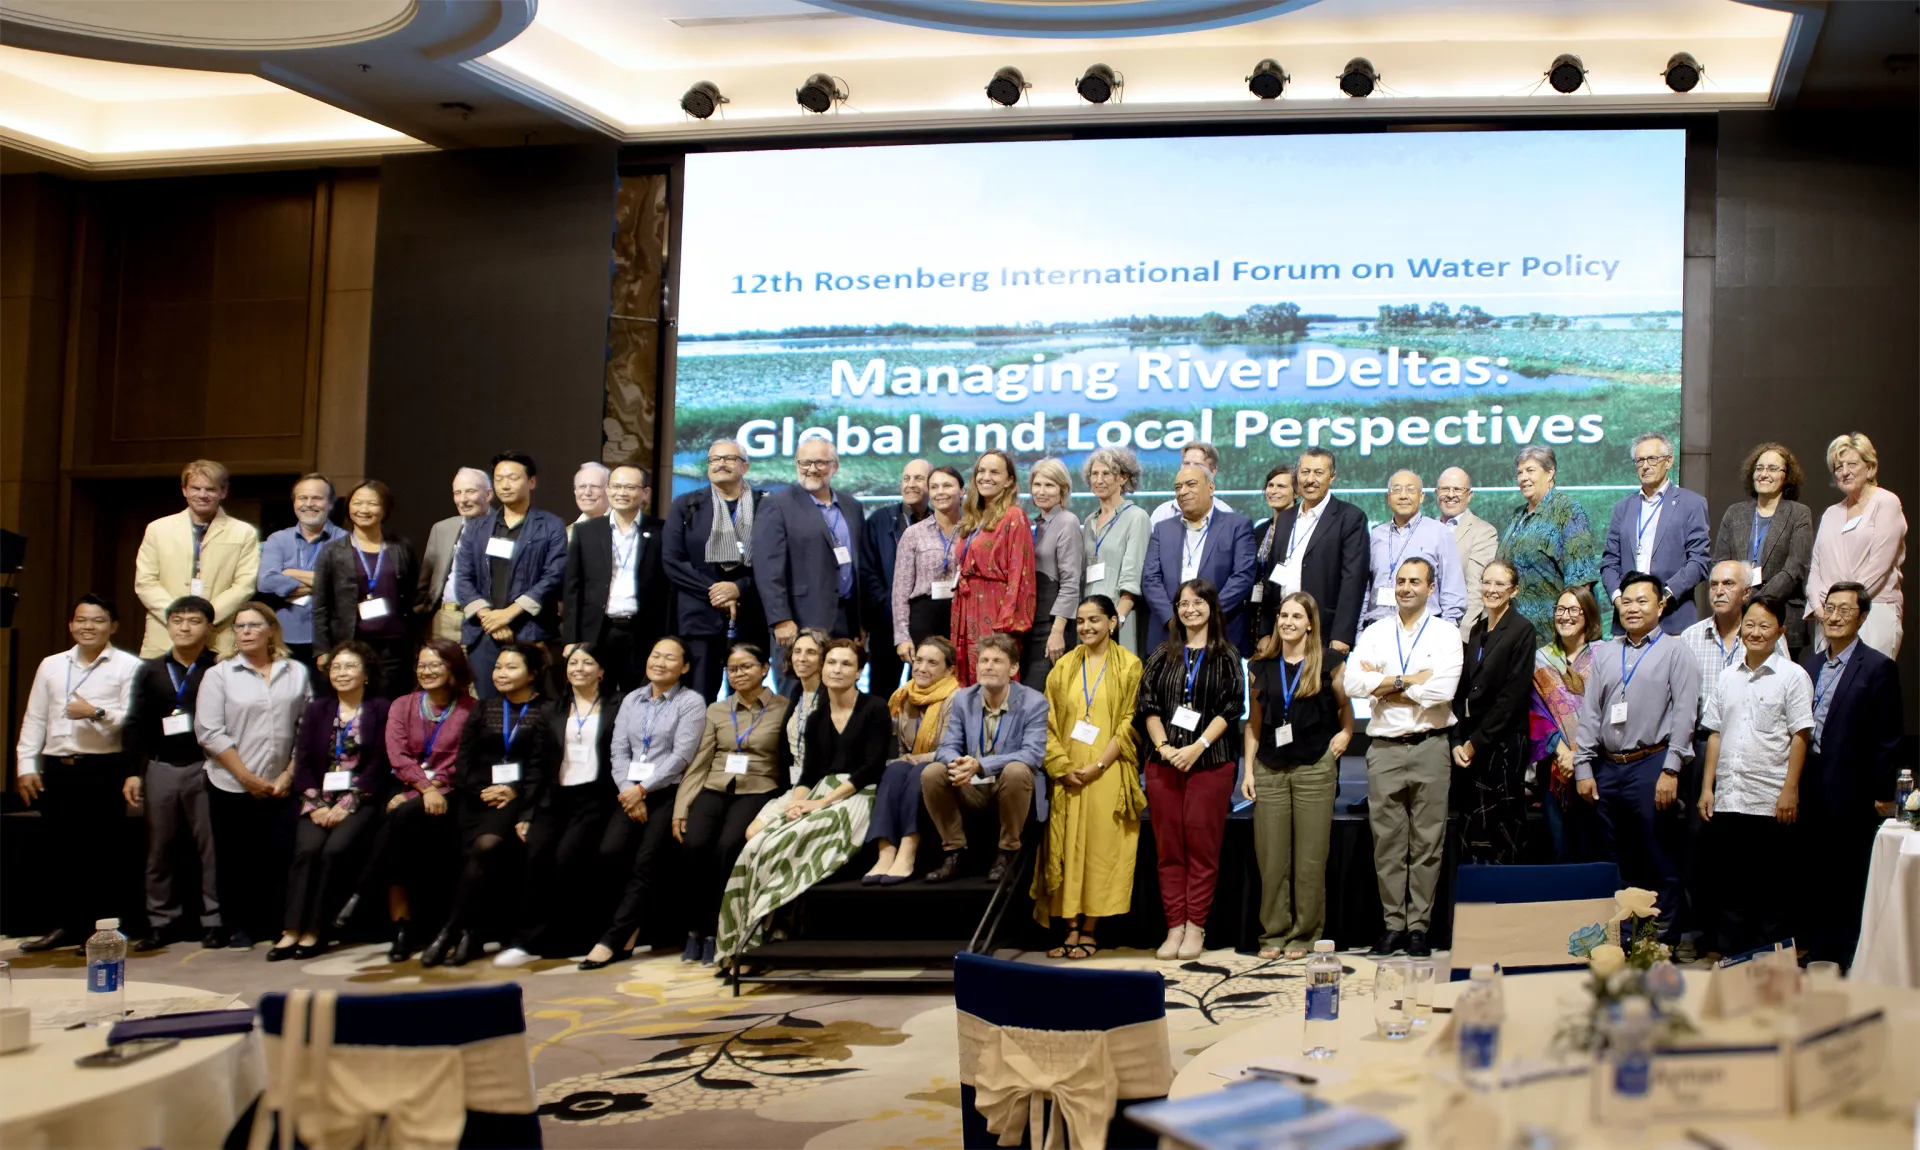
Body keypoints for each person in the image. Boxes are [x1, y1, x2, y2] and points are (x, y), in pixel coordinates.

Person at [715, 638, 889, 966]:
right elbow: (808, 774)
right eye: (832, 663)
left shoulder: (875, 707)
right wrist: (797, 804)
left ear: (859, 672)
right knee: (758, 845)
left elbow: (871, 768)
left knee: (795, 837)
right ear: (822, 670)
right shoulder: (815, 717)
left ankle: (772, 923)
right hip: (818, 792)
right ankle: (747, 936)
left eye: (846, 664)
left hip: (859, 794)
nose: (837, 669)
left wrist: (819, 805)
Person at [1571, 573, 1700, 942]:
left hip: (1652, 764)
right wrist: (1583, 767)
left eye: (1643, 601)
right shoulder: (1608, 652)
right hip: (1608, 766)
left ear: (1661, 606)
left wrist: (1671, 769)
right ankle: (1625, 936)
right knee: (1616, 856)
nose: (1632, 608)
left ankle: (1662, 939)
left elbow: (1685, 715)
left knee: (1657, 854)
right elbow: (1591, 713)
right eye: (1626, 601)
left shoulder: (1676, 651)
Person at [1346, 559, 1462, 958]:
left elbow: (1442, 691)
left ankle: (1418, 928)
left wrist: (1382, 685)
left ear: (1432, 588)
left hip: (1431, 745)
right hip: (1385, 749)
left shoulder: (1447, 634)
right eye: (1400, 581)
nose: (1406, 588)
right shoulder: (1376, 631)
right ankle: (1393, 924)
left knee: (1428, 843)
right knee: (1388, 844)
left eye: (1415, 581)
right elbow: (1351, 682)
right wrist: (1411, 679)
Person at [14, 595, 140, 952]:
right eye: (81, 620)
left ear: (113, 626)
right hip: (56, 769)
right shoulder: (52, 665)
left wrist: (96, 712)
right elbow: (35, 717)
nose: (88, 626)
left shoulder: (128, 666)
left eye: (98, 620)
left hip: (103, 769)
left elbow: (134, 723)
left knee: (101, 855)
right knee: (60, 853)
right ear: (71, 624)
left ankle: (99, 934)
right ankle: (65, 927)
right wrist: (26, 765)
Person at [424, 642, 557, 967]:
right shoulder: (484, 708)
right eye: (498, 667)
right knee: (471, 853)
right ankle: (472, 936)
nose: (501, 673)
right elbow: (464, 761)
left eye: (511, 667)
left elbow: (542, 766)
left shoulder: (547, 711)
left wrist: (512, 790)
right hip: (477, 797)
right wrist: (484, 789)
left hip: (517, 799)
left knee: (487, 847)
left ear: (533, 674)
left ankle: (451, 931)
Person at [581, 636, 708, 969]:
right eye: (655, 655)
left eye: (669, 658)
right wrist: (628, 789)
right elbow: (618, 750)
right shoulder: (632, 700)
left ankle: (614, 938)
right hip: (628, 793)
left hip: (666, 791)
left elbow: (682, 755)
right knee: (609, 853)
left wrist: (643, 789)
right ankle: (629, 922)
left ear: (684, 667)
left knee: (645, 863)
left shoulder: (691, 702)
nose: (660, 662)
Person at [494, 643, 623, 967]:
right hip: (555, 798)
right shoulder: (553, 709)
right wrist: (527, 812)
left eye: (587, 662)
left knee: (569, 859)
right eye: (573, 662)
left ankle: (573, 938)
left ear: (602, 670)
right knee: (535, 856)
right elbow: (537, 766)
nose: (578, 668)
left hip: (595, 798)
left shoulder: (617, 706)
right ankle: (524, 942)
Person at [1031, 595, 1145, 960]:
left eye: (1094, 620)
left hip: (1107, 771)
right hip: (1068, 775)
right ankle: (1070, 927)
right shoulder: (1062, 667)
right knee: (1066, 850)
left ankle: (1091, 928)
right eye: (1080, 621)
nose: (1086, 627)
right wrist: (1062, 767)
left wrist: (1098, 766)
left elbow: (1130, 723)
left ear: (1113, 622)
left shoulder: (1130, 665)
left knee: (1099, 850)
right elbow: (1044, 724)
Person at [1696, 597, 1811, 957]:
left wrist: (1790, 789)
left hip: (1769, 800)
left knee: (1771, 895)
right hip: (1730, 798)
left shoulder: (1793, 676)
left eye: (1765, 626)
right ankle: (1733, 967)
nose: (1755, 632)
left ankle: (1771, 972)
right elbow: (1714, 732)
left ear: (1780, 630)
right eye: (1750, 625)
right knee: (1731, 891)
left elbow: (1800, 734)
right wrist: (1707, 787)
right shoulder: (1728, 676)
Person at [1797, 582, 1904, 965]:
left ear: (1862, 616)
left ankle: (1848, 957)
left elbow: (1888, 736)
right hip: (1809, 783)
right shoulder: (1808, 665)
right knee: (1816, 872)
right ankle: (1819, 951)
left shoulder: (1878, 667)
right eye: (1830, 608)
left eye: (1845, 609)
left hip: (1852, 788)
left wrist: (1883, 792)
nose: (1835, 616)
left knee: (1848, 875)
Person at [195, 602, 312, 949]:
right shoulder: (219, 675)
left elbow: (306, 728)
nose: (244, 632)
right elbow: (209, 732)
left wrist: (289, 774)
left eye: (252, 625)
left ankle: (275, 923)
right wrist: (246, 778)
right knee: (235, 858)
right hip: (231, 782)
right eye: (239, 627)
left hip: (281, 783)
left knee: (279, 855)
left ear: (271, 630)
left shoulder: (295, 671)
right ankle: (238, 926)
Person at [1141, 578, 1246, 960]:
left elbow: (1232, 709)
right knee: (1169, 851)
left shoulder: (1227, 655)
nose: (1190, 609)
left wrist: (1197, 747)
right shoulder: (1161, 654)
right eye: (1183, 603)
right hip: (1163, 763)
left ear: (1211, 607)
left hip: (1210, 764)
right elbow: (1147, 707)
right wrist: (1165, 747)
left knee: (1202, 850)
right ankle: (1175, 926)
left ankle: (1196, 926)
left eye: (1198, 602)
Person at [1243, 592, 1352, 959]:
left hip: (1314, 769)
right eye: (1283, 615)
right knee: (1272, 859)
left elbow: (1344, 706)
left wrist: (1347, 734)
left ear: (1310, 623)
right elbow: (1253, 723)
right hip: (1270, 769)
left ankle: (1304, 936)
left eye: (1296, 616)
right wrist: (1249, 769)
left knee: (1309, 860)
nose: (1288, 621)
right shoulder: (1259, 665)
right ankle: (1273, 933)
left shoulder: (1330, 662)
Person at [672, 644, 793, 966]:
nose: (738, 673)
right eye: (732, 668)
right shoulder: (717, 710)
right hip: (714, 787)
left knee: (726, 848)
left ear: (765, 668)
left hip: (759, 788)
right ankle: (694, 929)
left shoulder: (784, 708)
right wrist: (681, 807)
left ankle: (717, 931)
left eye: (746, 666)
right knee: (694, 845)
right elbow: (700, 762)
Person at [273, 640, 390, 961]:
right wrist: (318, 804)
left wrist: (346, 805)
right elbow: (305, 761)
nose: (342, 672)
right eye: (336, 666)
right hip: (318, 801)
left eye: (350, 666)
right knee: (306, 851)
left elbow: (379, 764)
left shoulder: (380, 709)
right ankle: (291, 930)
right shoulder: (318, 709)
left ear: (366, 674)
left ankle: (316, 929)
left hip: (359, 801)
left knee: (334, 851)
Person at [1676, 559, 1771, 953]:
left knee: (1741, 850)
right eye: (1713, 583)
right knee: (1698, 844)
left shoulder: (1766, 637)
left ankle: (1744, 940)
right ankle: (1698, 932)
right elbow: (1680, 704)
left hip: (1752, 752)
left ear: (1746, 593)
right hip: (1702, 748)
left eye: (1728, 584)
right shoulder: (1690, 637)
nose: (1717, 590)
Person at [363, 639, 476, 962]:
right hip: (409, 785)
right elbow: (397, 754)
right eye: (422, 665)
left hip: (451, 790)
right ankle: (402, 926)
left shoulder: (470, 708)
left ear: (453, 667)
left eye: (434, 665)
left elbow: (462, 760)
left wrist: (433, 787)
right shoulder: (402, 704)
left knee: (402, 820)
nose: (426, 671)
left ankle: (365, 889)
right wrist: (423, 788)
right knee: (400, 817)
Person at [124, 596, 225, 951]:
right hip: (161, 766)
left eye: (193, 621)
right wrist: (133, 773)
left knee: (211, 849)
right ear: (167, 626)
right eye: (177, 620)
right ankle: (160, 921)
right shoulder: (150, 669)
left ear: (209, 627)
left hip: (207, 766)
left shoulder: (219, 667)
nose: (184, 627)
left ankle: (214, 920)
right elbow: (135, 723)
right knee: (159, 849)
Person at [920, 633, 1045, 884]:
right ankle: (955, 852)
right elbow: (947, 746)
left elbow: (1033, 754)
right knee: (932, 772)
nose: (988, 666)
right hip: (970, 784)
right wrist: (958, 763)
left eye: (997, 661)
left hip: (1009, 787)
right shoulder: (963, 698)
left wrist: (981, 765)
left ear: (1014, 668)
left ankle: (1008, 853)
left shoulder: (1034, 702)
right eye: (983, 660)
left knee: (1017, 769)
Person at [662, 439, 768, 701]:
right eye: (714, 460)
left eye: (729, 459)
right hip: (698, 618)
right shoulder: (686, 505)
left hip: (751, 616)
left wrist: (739, 587)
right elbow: (672, 561)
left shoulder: (765, 506)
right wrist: (717, 592)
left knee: (748, 698)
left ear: (744, 467)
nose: (721, 464)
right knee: (696, 699)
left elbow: (774, 561)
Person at [457, 451, 569, 698]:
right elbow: (463, 578)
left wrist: (508, 614)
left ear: (531, 482)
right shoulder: (477, 528)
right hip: (484, 632)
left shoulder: (551, 525)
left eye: (513, 477)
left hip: (531, 632)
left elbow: (553, 577)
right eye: (498, 479)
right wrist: (490, 618)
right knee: (488, 709)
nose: (505, 485)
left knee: (534, 711)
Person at [1449, 560, 1539, 864]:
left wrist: (1475, 742)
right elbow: (1464, 689)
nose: (1492, 589)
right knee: (1473, 827)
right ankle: (1475, 905)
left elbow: (1511, 697)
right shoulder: (1476, 628)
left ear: (1514, 590)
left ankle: (1505, 904)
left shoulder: (1522, 630)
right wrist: (1458, 740)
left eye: (1500, 584)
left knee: (1503, 828)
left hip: (1503, 745)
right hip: (1472, 743)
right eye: (1487, 582)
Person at [754, 436, 867, 676]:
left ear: (834, 466)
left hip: (846, 619)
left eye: (820, 462)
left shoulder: (852, 507)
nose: (812, 469)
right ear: (796, 464)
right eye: (804, 463)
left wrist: (859, 622)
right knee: (798, 695)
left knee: (839, 694)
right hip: (798, 620)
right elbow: (767, 569)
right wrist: (780, 619)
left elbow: (858, 567)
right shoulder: (777, 504)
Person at [134, 460, 260, 657]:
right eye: (196, 488)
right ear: (184, 490)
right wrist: (178, 617)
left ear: (223, 492)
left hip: (217, 635)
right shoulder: (158, 529)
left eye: (210, 489)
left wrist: (204, 618)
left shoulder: (243, 532)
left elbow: (245, 584)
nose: (202, 495)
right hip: (163, 634)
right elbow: (145, 582)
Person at [564, 463, 669, 694]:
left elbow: (669, 588)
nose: (622, 493)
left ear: (645, 493)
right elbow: (573, 588)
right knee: (598, 696)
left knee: (641, 695)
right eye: (617, 486)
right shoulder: (586, 531)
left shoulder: (662, 531)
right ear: (608, 490)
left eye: (630, 487)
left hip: (643, 630)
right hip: (598, 629)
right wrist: (571, 639)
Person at [864, 637, 960, 885]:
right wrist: (903, 760)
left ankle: (908, 847)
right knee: (895, 771)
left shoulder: (958, 699)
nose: (921, 668)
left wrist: (912, 759)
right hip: (910, 765)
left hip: (946, 769)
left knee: (921, 771)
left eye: (932, 663)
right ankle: (885, 851)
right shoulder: (904, 696)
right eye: (918, 660)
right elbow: (898, 747)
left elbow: (954, 749)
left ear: (949, 669)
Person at [311, 480, 419, 699]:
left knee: (391, 707)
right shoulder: (333, 552)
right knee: (355, 708)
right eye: (357, 503)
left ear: (385, 509)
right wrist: (322, 650)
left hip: (395, 647)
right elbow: (321, 604)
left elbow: (413, 595)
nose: (364, 509)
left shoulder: (401, 547)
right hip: (350, 643)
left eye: (372, 503)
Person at [1805, 433, 1906, 658]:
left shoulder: (1886, 503)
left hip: (1872, 611)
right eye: (1838, 466)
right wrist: (1822, 608)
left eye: (1852, 464)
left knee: (1868, 687)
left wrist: (1847, 606)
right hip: (1828, 617)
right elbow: (1816, 567)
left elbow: (1879, 565)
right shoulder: (1831, 513)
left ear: (1870, 468)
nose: (1844, 471)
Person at [1258, 448, 1369, 652]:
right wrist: (1264, 632)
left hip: (1323, 634)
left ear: (1332, 477)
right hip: (1281, 632)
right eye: (1305, 472)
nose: (1310, 479)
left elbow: (1353, 582)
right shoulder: (1285, 518)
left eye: (1318, 473)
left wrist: (1341, 637)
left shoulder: (1350, 518)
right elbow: (1270, 581)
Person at [1601, 434, 1712, 635]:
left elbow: (1699, 561)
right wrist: (1619, 599)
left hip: (1672, 619)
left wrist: (1664, 596)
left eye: (1652, 459)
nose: (1645, 466)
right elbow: (1609, 561)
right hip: (1627, 620)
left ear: (1669, 461)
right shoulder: (1623, 507)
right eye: (1640, 460)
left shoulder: (1691, 504)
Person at [1710, 443, 1815, 656]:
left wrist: (1754, 602)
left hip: (1781, 614)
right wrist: (1737, 599)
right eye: (1759, 468)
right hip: (1734, 616)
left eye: (1773, 469)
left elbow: (1795, 568)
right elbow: (1719, 563)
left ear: (1787, 476)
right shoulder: (1735, 513)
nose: (1764, 474)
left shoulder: (1798, 514)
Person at [1144, 464, 1257, 656]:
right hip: (1169, 634)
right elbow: (1150, 579)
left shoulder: (1237, 525)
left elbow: (1242, 577)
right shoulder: (1162, 529)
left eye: (1191, 484)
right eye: (1178, 487)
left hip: (1219, 633)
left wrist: (1206, 614)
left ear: (1211, 488)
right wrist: (1173, 618)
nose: (1183, 492)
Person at [1530, 586, 1604, 863]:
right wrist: (1562, 752)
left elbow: (1608, 709)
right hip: (1556, 769)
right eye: (1560, 610)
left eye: (1574, 610)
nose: (1565, 616)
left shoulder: (1604, 655)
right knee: (1559, 850)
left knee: (1593, 848)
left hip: (1597, 766)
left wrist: (1579, 755)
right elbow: (1534, 712)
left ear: (1588, 615)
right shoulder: (1540, 659)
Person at [1499, 445, 1602, 640]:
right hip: (1516, 632)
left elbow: (1581, 580)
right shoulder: (1517, 515)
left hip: (1553, 635)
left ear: (1550, 472)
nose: (1523, 478)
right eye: (1519, 472)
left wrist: (1569, 629)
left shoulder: (1567, 510)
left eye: (1530, 470)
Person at [951, 450, 1035, 687]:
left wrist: (1005, 626)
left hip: (995, 610)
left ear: (1009, 480)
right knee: (966, 683)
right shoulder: (972, 518)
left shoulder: (1014, 516)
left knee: (993, 678)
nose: (985, 477)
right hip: (966, 608)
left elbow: (1020, 576)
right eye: (981, 471)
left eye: (994, 472)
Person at [860, 459, 933, 698]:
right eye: (906, 479)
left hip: (928, 627)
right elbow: (868, 573)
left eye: (919, 479)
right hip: (886, 627)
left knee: (925, 695)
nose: (911, 484)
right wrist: (891, 609)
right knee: (881, 696)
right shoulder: (879, 521)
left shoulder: (940, 522)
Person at [256, 474, 344, 670]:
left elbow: (343, 584)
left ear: (330, 503)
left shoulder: (345, 540)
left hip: (331, 639)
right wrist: (324, 584)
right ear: (294, 502)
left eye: (317, 498)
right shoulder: (278, 539)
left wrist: (289, 573)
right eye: (302, 498)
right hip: (285, 637)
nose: (309, 504)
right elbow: (265, 581)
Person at [1361, 470, 1466, 629]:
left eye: (1410, 489)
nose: (1403, 496)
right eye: (1396, 490)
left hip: (1425, 629)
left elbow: (1452, 589)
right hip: (1379, 628)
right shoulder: (1375, 536)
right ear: (1388, 498)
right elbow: (1364, 590)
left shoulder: (1439, 533)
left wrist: (1446, 632)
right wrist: (1359, 632)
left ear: (1421, 496)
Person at [1080, 448, 1152, 654]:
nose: (1099, 480)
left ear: (1123, 477)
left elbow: (1133, 574)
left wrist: (1116, 620)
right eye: (1094, 474)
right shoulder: (1089, 521)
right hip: (1089, 622)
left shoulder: (1136, 517)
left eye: (1106, 473)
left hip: (1120, 620)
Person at [892, 465, 966, 657]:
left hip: (964, 615)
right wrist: (902, 637)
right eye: (934, 487)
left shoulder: (974, 530)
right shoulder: (913, 534)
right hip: (924, 617)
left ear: (962, 491)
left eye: (947, 486)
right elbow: (900, 591)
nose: (940, 492)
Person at [415, 467, 494, 643]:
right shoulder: (441, 529)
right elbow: (425, 581)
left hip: (483, 620)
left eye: (470, 492)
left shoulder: (505, 529)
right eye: (457, 493)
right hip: (443, 618)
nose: (463, 500)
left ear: (488, 495)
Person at [1024, 458, 1085, 687]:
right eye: (1037, 485)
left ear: (1063, 489)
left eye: (1049, 485)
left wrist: (1057, 631)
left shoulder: (1067, 521)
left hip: (1053, 625)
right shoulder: (1039, 524)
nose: (1041, 491)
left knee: (1041, 694)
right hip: (1034, 622)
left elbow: (1071, 582)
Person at [1436, 467, 1502, 637]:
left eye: (1457, 489)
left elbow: (1477, 590)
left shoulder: (1484, 532)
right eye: (1445, 489)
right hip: (1423, 631)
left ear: (1469, 495)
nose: (1450, 495)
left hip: (1460, 633)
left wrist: (1458, 636)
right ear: (1437, 493)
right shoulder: (1428, 529)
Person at [1148, 443, 1236, 526]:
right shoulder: (1162, 513)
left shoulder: (1225, 514)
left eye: (1198, 464)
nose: (1190, 468)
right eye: (1186, 463)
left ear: (1213, 472)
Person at [1249, 464, 1296, 617]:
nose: (1274, 491)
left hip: (1289, 607)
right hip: (1258, 607)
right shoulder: (1260, 530)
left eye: (1281, 486)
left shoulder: (1301, 529)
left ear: (1296, 492)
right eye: (1270, 485)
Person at [783, 628, 830, 772]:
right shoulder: (796, 693)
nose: (802, 658)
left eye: (811, 652)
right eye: (797, 651)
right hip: (794, 780)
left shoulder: (832, 696)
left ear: (824, 659)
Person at [571, 462, 610, 531]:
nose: (587, 492)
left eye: (595, 486)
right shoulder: (568, 533)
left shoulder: (622, 528)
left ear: (609, 491)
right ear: (575, 491)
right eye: (582, 487)